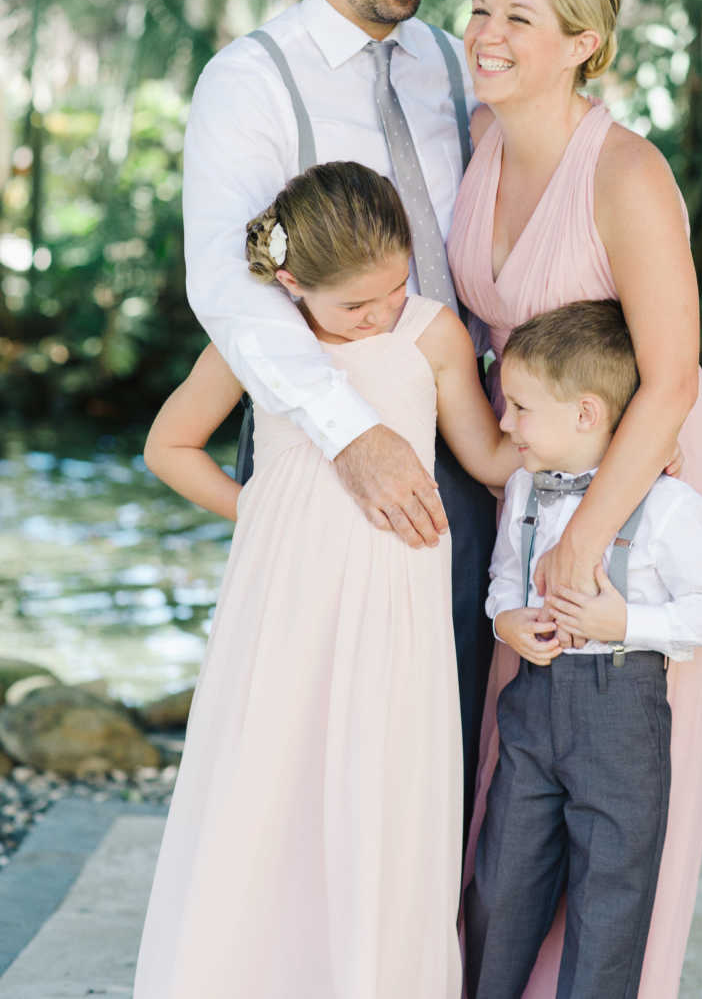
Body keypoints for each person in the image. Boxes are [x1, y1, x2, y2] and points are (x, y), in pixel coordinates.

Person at [134, 162, 520, 999]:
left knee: (378, 791)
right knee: (265, 782)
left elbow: (488, 456)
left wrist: (587, 438)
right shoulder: (261, 337)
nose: (380, 313)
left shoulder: (430, 333)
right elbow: (168, 446)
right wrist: (264, 511)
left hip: (394, 610)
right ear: (290, 280)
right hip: (279, 605)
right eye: (355, 306)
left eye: (393, 287)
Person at [182, 0, 497, 830]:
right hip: (321, 439)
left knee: (446, 727)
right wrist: (347, 435)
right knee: (311, 740)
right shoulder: (250, 80)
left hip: (468, 426)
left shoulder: (457, 64)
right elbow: (229, 291)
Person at [447, 0, 702, 998]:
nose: (486, 34)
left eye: (519, 18)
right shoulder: (477, 135)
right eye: (481, 9)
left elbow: (668, 378)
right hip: (523, 453)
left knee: (621, 772)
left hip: (640, 469)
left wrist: (586, 533)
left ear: (585, 43)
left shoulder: (625, 169)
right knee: (512, 758)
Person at [463, 300, 702, 999]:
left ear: (587, 413)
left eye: (521, 408)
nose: (504, 424)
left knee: (609, 905)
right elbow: (504, 578)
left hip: (620, 719)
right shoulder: (526, 490)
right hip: (531, 712)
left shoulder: (667, 507)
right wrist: (508, 623)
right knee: (500, 889)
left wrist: (626, 624)